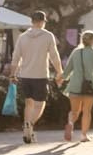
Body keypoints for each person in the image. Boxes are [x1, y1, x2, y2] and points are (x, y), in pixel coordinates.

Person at [8, 10, 65, 144]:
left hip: (25, 75)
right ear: (43, 22)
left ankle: (28, 129)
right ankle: (29, 124)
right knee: (40, 104)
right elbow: (54, 56)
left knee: (29, 103)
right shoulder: (48, 36)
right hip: (40, 75)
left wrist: (12, 74)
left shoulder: (22, 37)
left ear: (32, 21)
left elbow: (15, 57)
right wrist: (59, 72)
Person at [63, 31, 93, 141]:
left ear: (82, 40)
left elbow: (68, 70)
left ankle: (70, 123)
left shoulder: (76, 52)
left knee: (74, 111)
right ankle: (83, 135)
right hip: (90, 86)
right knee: (86, 111)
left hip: (75, 85)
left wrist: (61, 78)